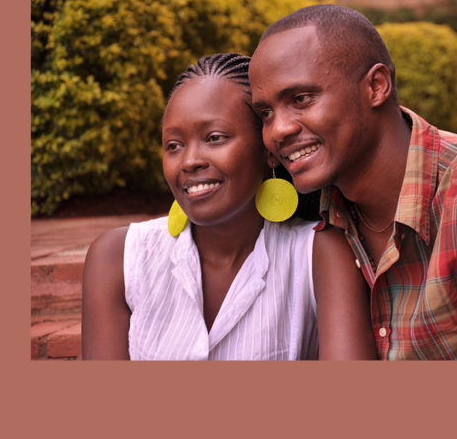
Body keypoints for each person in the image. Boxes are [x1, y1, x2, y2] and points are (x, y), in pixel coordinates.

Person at [248, 5, 457, 360]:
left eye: (301, 99)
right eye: (266, 114)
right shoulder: (330, 213)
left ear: (376, 87)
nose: (278, 130)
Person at [82, 53, 377, 360]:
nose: (190, 161)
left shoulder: (318, 254)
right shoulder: (120, 258)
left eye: (214, 138)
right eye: (174, 145)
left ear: (268, 151)